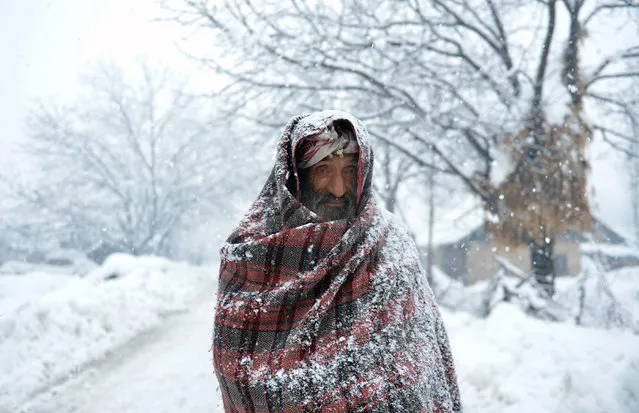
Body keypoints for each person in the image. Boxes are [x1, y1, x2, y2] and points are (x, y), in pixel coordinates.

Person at [213, 110, 462, 412]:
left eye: (348, 171)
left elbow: (419, 371)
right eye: (323, 170)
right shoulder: (253, 253)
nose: (338, 188)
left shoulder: (387, 245)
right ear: (296, 177)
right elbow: (238, 372)